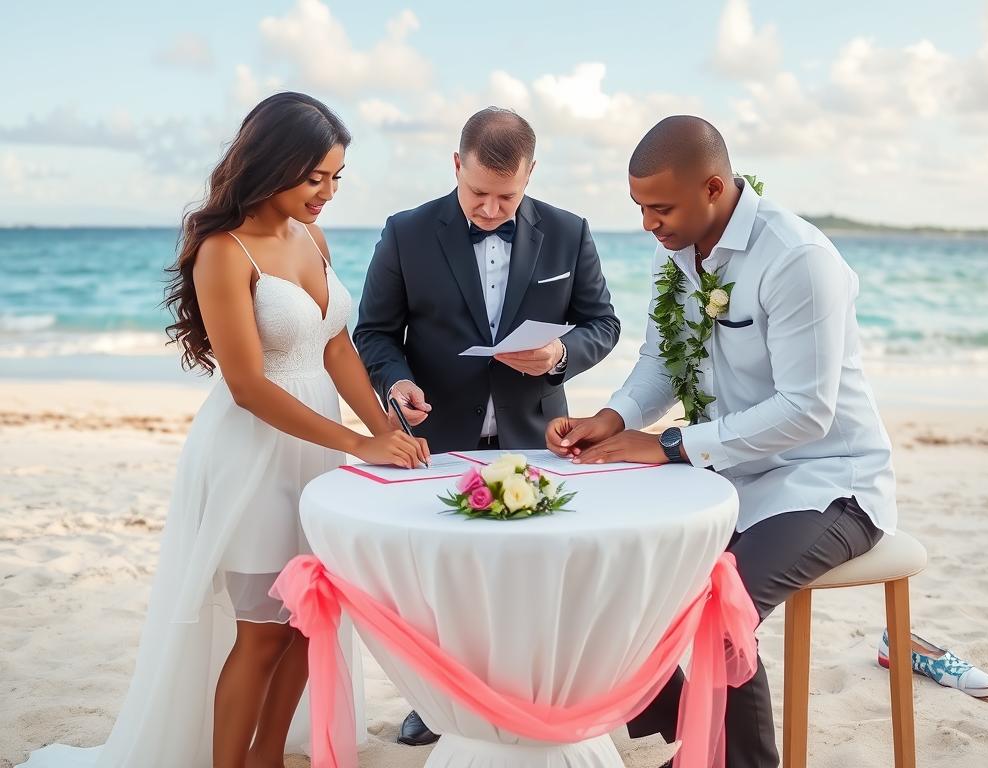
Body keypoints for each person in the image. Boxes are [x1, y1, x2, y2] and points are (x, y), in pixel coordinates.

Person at [18, 91, 429, 768]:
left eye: (335, 179)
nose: (326, 193)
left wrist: (384, 426)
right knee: (262, 631)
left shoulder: (312, 235)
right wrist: (360, 444)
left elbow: (335, 348)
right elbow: (246, 385)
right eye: (314, 177)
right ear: (273, 165)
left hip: (320, 449)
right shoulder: (223, 251)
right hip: (254, 455)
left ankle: (270, 756)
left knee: (310, 622)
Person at [546, 115, 897, 768]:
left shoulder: (798, 260)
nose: (649, 224)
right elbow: (662, 362)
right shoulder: (672, 251)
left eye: (660, 208)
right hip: (729, 475)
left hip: (830, 483)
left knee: (721, 605)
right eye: (640, 208)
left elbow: (807, 413)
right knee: (610, 562)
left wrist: (671, 446)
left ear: (713, 187)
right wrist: (615, 418)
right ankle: (688, 732)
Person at [353, 106, 621, 745]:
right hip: (436, 437)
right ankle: (436, 700)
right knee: (445, 586)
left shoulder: (569, 232)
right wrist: (395, 384)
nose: (492, 209)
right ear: (455, 166)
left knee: (534, 579)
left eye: (507, 196)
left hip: (540, 439)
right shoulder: (405, 232)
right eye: (478, 193)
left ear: (530, 177)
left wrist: (560, 356)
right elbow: (374, 332)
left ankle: (533, 698)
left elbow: (602, 324)